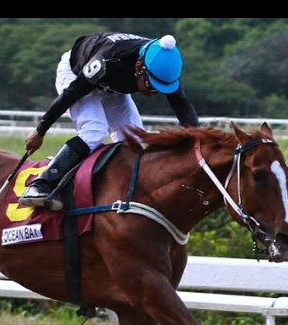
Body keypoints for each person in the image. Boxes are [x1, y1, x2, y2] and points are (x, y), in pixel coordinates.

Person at [19, 32, 200, 211]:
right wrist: (40, 130)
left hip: (112, 83)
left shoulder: (164, 67)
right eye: (151, 84)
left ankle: (119, 190)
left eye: (161, 88)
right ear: (139, 66)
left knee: (135, 139)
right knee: (94, 130)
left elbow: (181, 104)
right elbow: (71, 94)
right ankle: (41, 184)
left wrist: (199, 140)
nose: (155, 92)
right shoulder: (108, 60)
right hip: (76, 74)